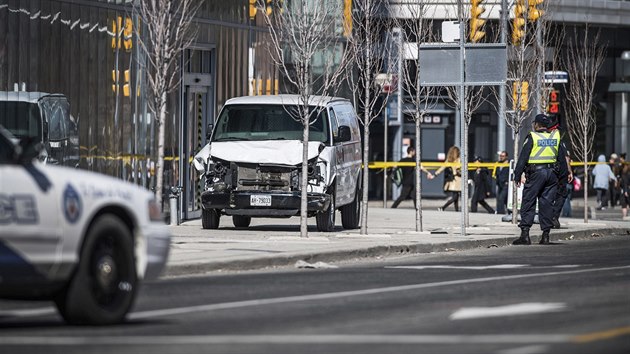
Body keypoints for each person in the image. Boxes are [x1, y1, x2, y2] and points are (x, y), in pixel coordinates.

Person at [511, 114, 568, 245]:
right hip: (552, 174)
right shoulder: (555, 138)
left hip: (536, 173)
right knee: (547, 204)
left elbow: (523, 157)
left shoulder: (533, 137)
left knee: (528, 201)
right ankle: (546, 236)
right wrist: (562, 179)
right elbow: (562, 160)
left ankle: (525, 235)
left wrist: (517, 175)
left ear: (536, 125)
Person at [546, 115, 573, 229]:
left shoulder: (546, 141)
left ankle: (550, 218)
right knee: (560, 194)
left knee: (549, 195)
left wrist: (569, 171)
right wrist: (569, 171)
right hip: (559, 173)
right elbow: (566, 158)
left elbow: (567, 158)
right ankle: (553, 217)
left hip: (550, 172)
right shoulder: (560, 142)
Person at [434, 146, 461, 212]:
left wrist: (435, 174)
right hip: (457, 180)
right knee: (455, 196)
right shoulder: (457, 160)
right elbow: (442, 167)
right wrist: (435, 174)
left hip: (454, 180)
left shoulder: (449, 160)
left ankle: (456, 210)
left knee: (456, 196)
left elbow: (441, 168)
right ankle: (443, 208)